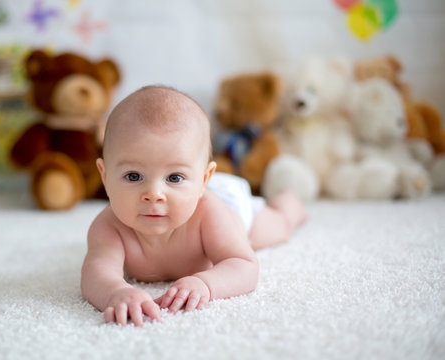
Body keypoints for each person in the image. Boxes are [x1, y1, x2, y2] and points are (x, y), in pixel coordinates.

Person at [81, 86, 306, 326]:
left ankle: (289, 202)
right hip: (190, 190)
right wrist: (116, 292)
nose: (154, 194)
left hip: (228, 204)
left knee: (278, 227)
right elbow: (96, 273)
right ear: (105, 177)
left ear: (204, 180)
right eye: (134, 176)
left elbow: (244, 265)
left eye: (173, 177)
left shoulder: (211, 214)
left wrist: (205, 283)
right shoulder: (108, 227)